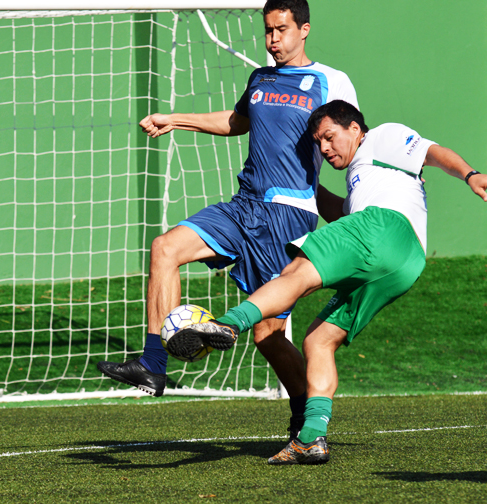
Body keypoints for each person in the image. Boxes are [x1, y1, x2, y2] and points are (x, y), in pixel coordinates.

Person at [166, 100, 487, 464]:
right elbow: (341, 213)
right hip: (404, 264)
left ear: (355, 129)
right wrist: (302, 185)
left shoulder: (383, 137)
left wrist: (472, 175)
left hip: (381, 228)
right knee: (318, 340)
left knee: (295, 273)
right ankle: (310, 439)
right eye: (319, 143)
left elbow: (432, 153)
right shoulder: (366, 177)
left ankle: (227, 325)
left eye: (330, 137)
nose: (325, 148)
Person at [97, 0, 358, 437]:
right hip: (243, 204)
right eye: (268, 31)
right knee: (164, 248)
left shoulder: (330, 81)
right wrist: (175, 119)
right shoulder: (260, 76)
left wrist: (360, 204)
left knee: (268, 336)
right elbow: (238, 120)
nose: (273, 40)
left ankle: (306, 417)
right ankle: (153, 366)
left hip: (287, 217)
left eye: (281, 30)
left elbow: (350, 139)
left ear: (304, 29)